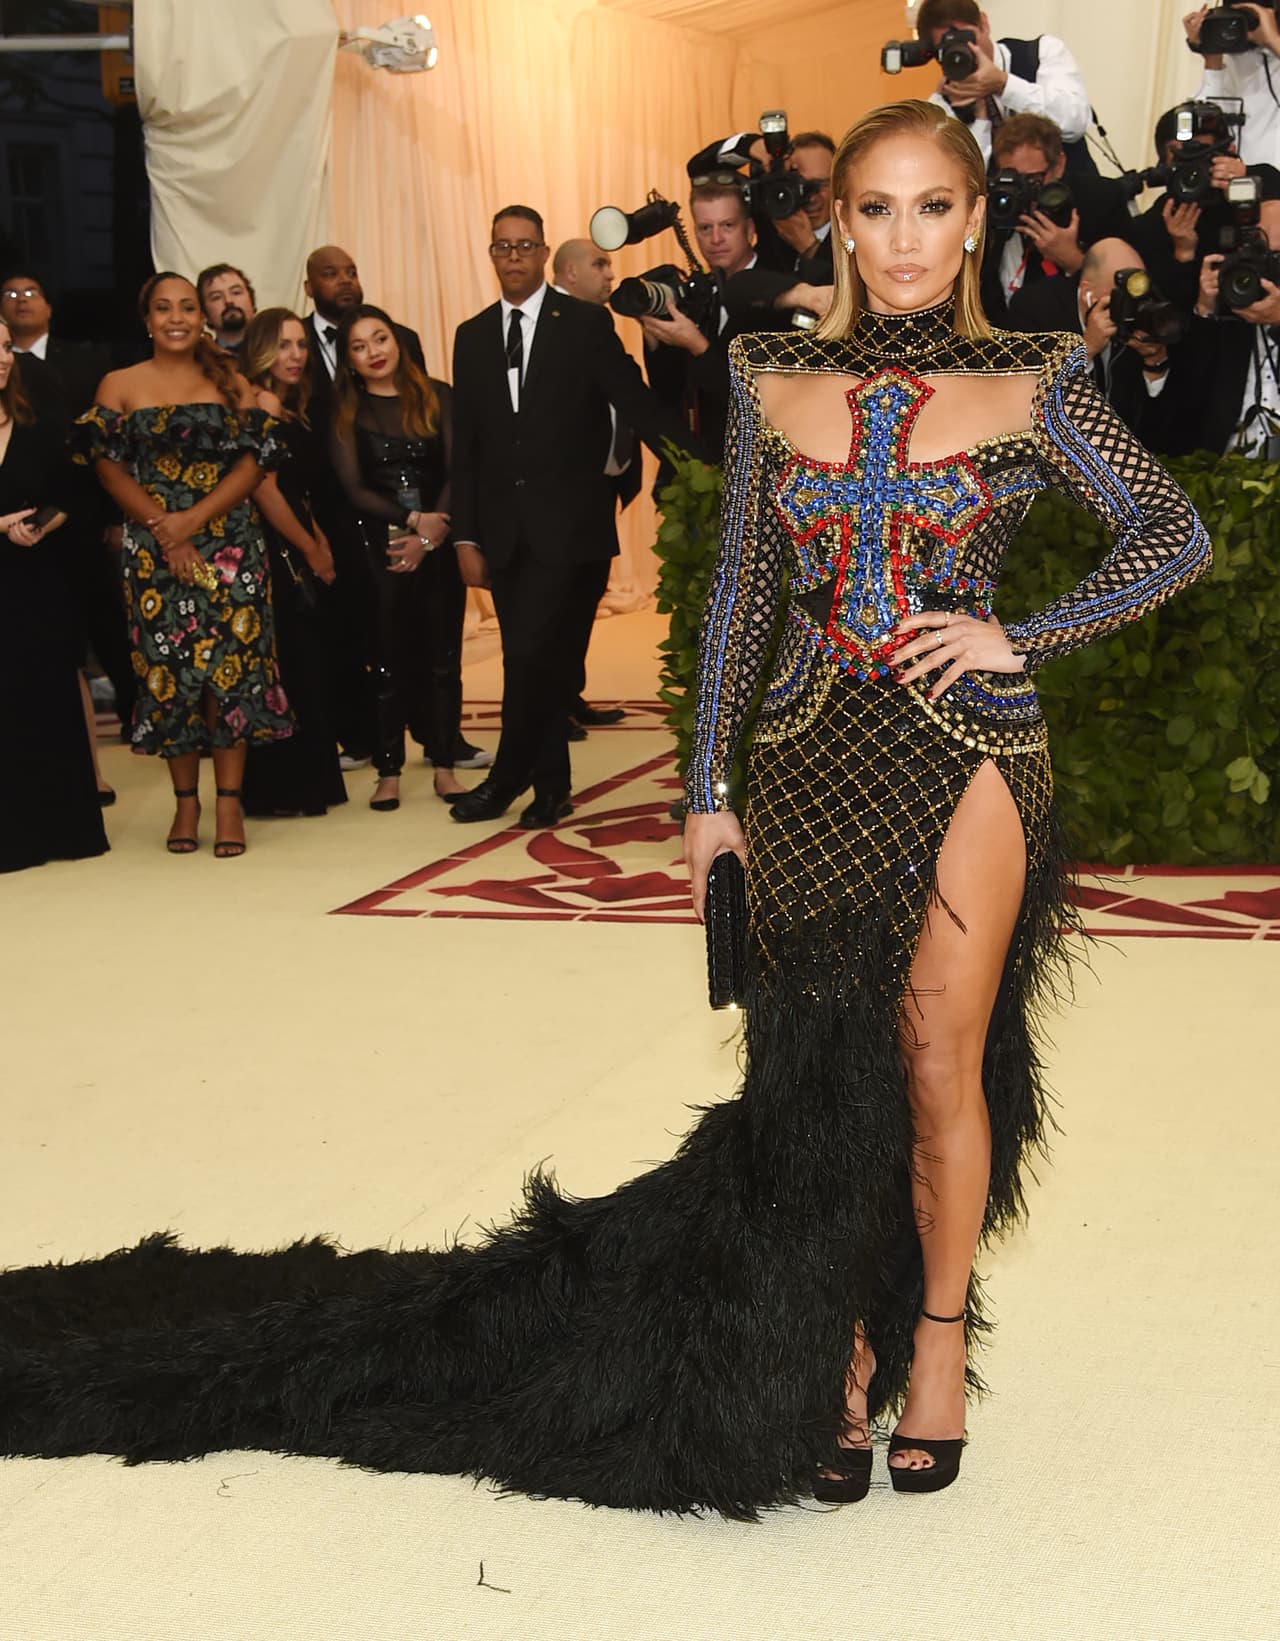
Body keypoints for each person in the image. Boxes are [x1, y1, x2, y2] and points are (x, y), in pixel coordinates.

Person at [0, 102, 1209, 1516]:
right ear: (837, 223)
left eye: (932, 208)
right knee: (817, 1082)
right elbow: (744, 591)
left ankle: (935, 1342)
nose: (902, 240)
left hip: (969, 753)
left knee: (939, 1064)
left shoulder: (1036, 375)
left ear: (973, 219)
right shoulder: (768, 369)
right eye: (874, 209)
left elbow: (1170, 533)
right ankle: (840, 1336)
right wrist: (708, 791)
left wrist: (1020, 635)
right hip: (809, 753)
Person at [449, 205, 701, 828]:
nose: (513, 256)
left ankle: (516, 780)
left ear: (543, 256)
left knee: (529, 655)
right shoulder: (472, 336)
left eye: (524, 245)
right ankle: (546, 784)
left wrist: (703, 464)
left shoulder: (584, 323)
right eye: (502, 246)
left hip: (569, 525)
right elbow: (468, 445)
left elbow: (634, 402)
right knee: (533, 659)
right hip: (504, 531)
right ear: (491, 254)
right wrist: (466, 535)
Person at [74, 272, 291, 858]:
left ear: (202, 318)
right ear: (146, 319)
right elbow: (106, 468)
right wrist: (164, 528)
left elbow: (254, 464)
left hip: (231, 548)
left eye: (188, 308)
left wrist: (191, 521)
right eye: (164, 308)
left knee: (231, 674)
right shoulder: (119, 383)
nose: (177, 318)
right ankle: (186, 803)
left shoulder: (232, 381)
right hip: (155, 550)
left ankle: (229, 803)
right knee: (169, 676)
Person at [330, 303, 464, 810]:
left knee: (443, 661)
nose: (374, 352)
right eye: (359, 346)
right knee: (386, 662)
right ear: (348, 359)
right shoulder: (346, 411)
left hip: (439, 546)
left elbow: (458, 470)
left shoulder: (439, 396)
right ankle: (388, 772)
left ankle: (445, 766)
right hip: (378, 550)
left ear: (397, 341)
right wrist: (412, 523)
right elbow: (353, 488)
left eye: (380, 338)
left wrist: (432, 533)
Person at [0, 268, 134, 745]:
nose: (21, 300)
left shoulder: (77, 370)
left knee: (88, 636)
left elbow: (86, 461)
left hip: (64, 538)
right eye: (10, 293)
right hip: (15, 547)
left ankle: (127, 719)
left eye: (31, 292)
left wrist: (64, 518)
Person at [0, 319, 109, 872]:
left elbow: (74, 494)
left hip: (38, 577)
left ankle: (64, 829)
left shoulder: (36, 424)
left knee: (45, 694)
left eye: (4, 347)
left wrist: (42, 524)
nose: (2, 357)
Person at [239, 307, 346, 818]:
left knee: (306, 664)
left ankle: (308, 785)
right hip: (271, 549)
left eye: (301, 344)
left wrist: (317, 537)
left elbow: (299, 489)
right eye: (283, 345)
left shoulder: (290, 405)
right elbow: (264, 491)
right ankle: (286, 789)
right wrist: (310, 548)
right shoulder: (258, 402)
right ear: (261, 349)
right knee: (288, 664)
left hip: (296, 537)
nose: (296, 354)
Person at [551, 237, 634, 734]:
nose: (610, 273)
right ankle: (551, 705)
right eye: (599, 264)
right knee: (561, 601)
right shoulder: (553, 325)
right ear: (569, 273)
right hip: (565, 492)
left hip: (600, 487)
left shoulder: (597, 321)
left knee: (586, 595)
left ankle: (569, 694)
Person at [1006, 238, 1184, 448]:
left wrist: (1155, 362)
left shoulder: (1142, 319)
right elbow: (1026, 401)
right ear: (1087, 292)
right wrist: (1087, 348)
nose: (1133, 306)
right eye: (1122, 297)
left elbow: (1161, 429)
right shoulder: (1036, 308)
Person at [979, 113, 1135, 320]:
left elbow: (1128, 291)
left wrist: (1073, 260)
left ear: (1059, 165)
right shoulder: (996, 204)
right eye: (1012, 178)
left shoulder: (1100, 200)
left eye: (1031, 179)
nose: (1021, 190)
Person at [917, 0, 1095, 173]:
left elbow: (1075, 122)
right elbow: (963, 179)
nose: (961, 51)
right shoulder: (942, 103)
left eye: (964, 39)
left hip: (1070, 189)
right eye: (947, 47)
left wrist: (1004, 84)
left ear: (984, 24)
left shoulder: (1040, 53)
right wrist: (979, 121)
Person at [1186, 2, 1280, 169]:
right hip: (1232, 180)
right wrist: (1212, 57)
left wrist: (1273, 40)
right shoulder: (1229, 62)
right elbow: (1205, 131)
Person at [196, 264, 257, 355]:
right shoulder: (201, 359)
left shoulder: (275, 349)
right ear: (205, 313)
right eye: (216, 297)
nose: (228, 301)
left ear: (252, 302)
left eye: (236, 292)